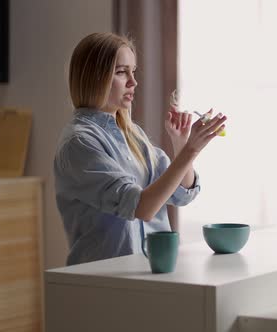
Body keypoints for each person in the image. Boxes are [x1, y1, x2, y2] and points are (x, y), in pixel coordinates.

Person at [54, 32, 226, 265]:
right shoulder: (79, 144)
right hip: (104, 279)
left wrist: (181, 144)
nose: (133, 82)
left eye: (133, 72)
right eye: (122, 72)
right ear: (95, 77)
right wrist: (191, 151)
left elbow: (182, 193)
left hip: (150, 271)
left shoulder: (132, 134)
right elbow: (141, 207)